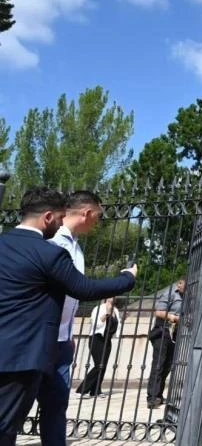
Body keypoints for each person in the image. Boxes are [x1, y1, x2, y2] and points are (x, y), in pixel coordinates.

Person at [0, 186, 137, 446]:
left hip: (26, 344)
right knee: (7, 422)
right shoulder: (49, 251)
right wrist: (127, 278)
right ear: (49, 217)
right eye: (60, 218)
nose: (62, 223)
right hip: (26, 353)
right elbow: (83, 288)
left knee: (37, 412)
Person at [38, 190, 104, 446]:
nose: (96, 222)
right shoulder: (52, 239)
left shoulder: (75, 244)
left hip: (62, 339)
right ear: (86, 213)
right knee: (18, 404)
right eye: (96, 216)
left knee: (56, 406)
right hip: (42, 337)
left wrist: (69, 331)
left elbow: (70, 298)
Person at [147, 277, 184, 409]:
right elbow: (159, 312)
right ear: (179, 283)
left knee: (168, 364)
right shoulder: (170, 293)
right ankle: (152, 396)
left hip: (174, 332)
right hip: (162, 329)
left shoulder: (187, 295)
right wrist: (173, 317)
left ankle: (158, 393)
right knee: (159, 363)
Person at [76, 297, 121, 397]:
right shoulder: (99, 308)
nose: (112, 298)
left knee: (103, 366)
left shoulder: (116, 310)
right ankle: (82, 390)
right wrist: (107, 314)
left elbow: (117, 325)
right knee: (99, 365)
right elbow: (96, 324)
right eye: (110, 297)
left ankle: (96, 390)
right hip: (97, 338)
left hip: (107, 340)